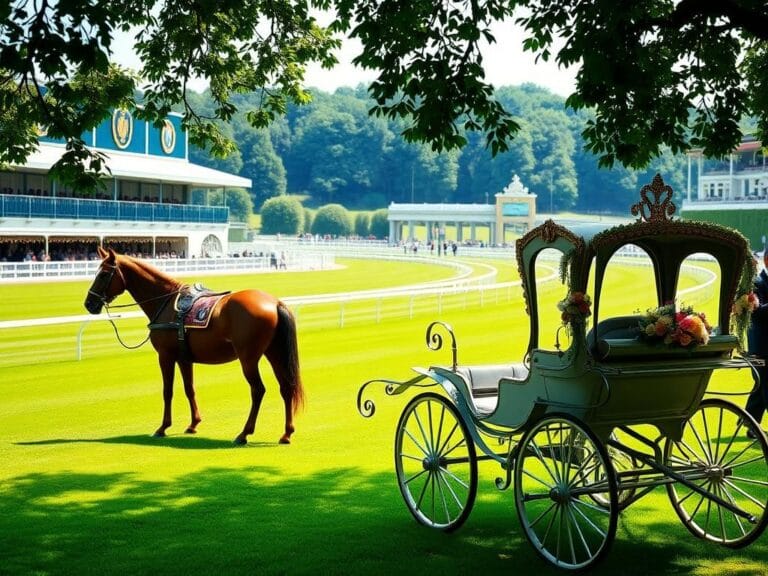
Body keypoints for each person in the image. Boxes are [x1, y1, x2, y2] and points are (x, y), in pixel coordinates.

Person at [745, 249, 768, 436]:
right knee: (766, 387)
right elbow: (757, 312)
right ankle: (751, 424)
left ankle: (750, 424)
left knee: (761, 387)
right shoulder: (756, 283)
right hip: (761, 346)